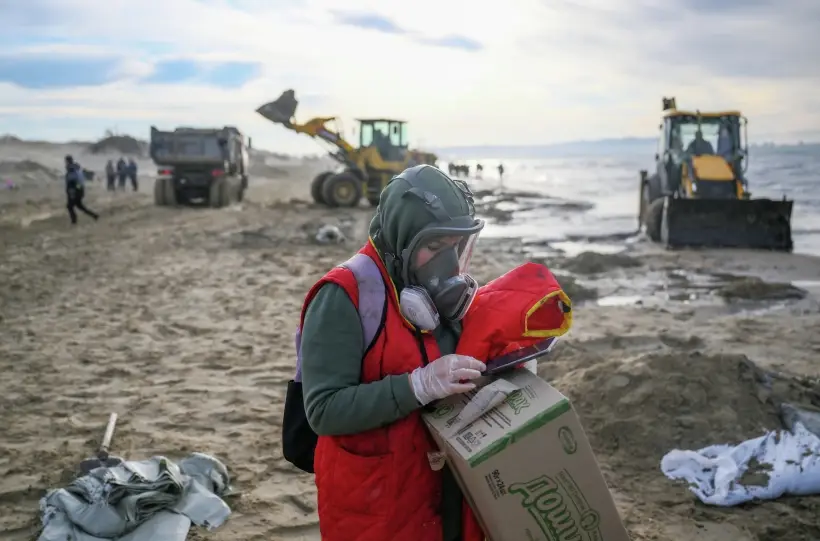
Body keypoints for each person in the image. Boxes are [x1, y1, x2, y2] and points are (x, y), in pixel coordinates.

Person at [299, 165, 488, 541]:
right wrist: (416, 387)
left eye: (456, 247)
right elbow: (322, 410)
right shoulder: (343, 295)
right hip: (376, 507)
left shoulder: (433, 293)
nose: (447, 265)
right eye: (434, 247)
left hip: (440, 496)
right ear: (403, 238)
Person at [64, 155, 99, 224]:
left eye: (66, 161)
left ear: (68, 161)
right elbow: (79, 181)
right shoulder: (77, 168)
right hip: (79, 190)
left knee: (70, 206)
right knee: (79, 206)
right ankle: (94, 216)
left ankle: (74, 221)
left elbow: (73, 182)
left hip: (74, 191)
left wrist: (73, 192)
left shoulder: (71, 169)